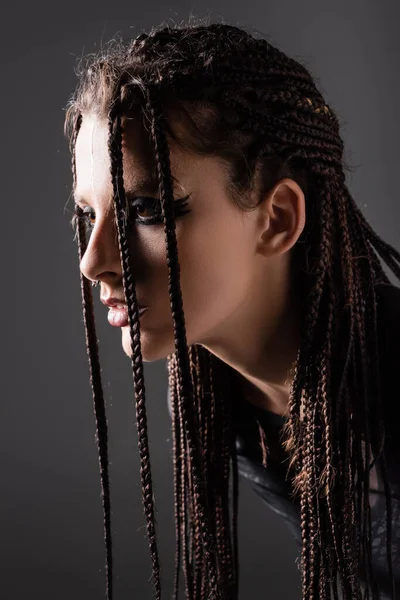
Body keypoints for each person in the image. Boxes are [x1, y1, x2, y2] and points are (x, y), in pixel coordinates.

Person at [64, 18, 400, 600]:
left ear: (278, 219)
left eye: (147, 210)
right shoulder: (222, 401)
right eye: (88, 217)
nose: (93, 263)